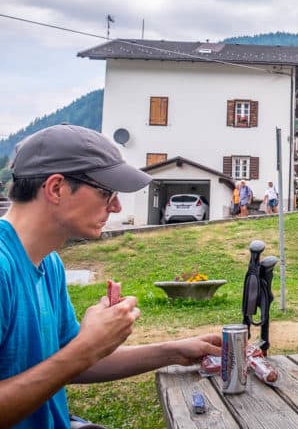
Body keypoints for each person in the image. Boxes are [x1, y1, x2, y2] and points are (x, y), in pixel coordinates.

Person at [0, 124, 222, 428]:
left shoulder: (49, 262)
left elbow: (64, 362)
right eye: (106, 192)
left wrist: (173, 351)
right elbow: (72, 359)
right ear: (55, 189)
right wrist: (85, 348)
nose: (116, 206)